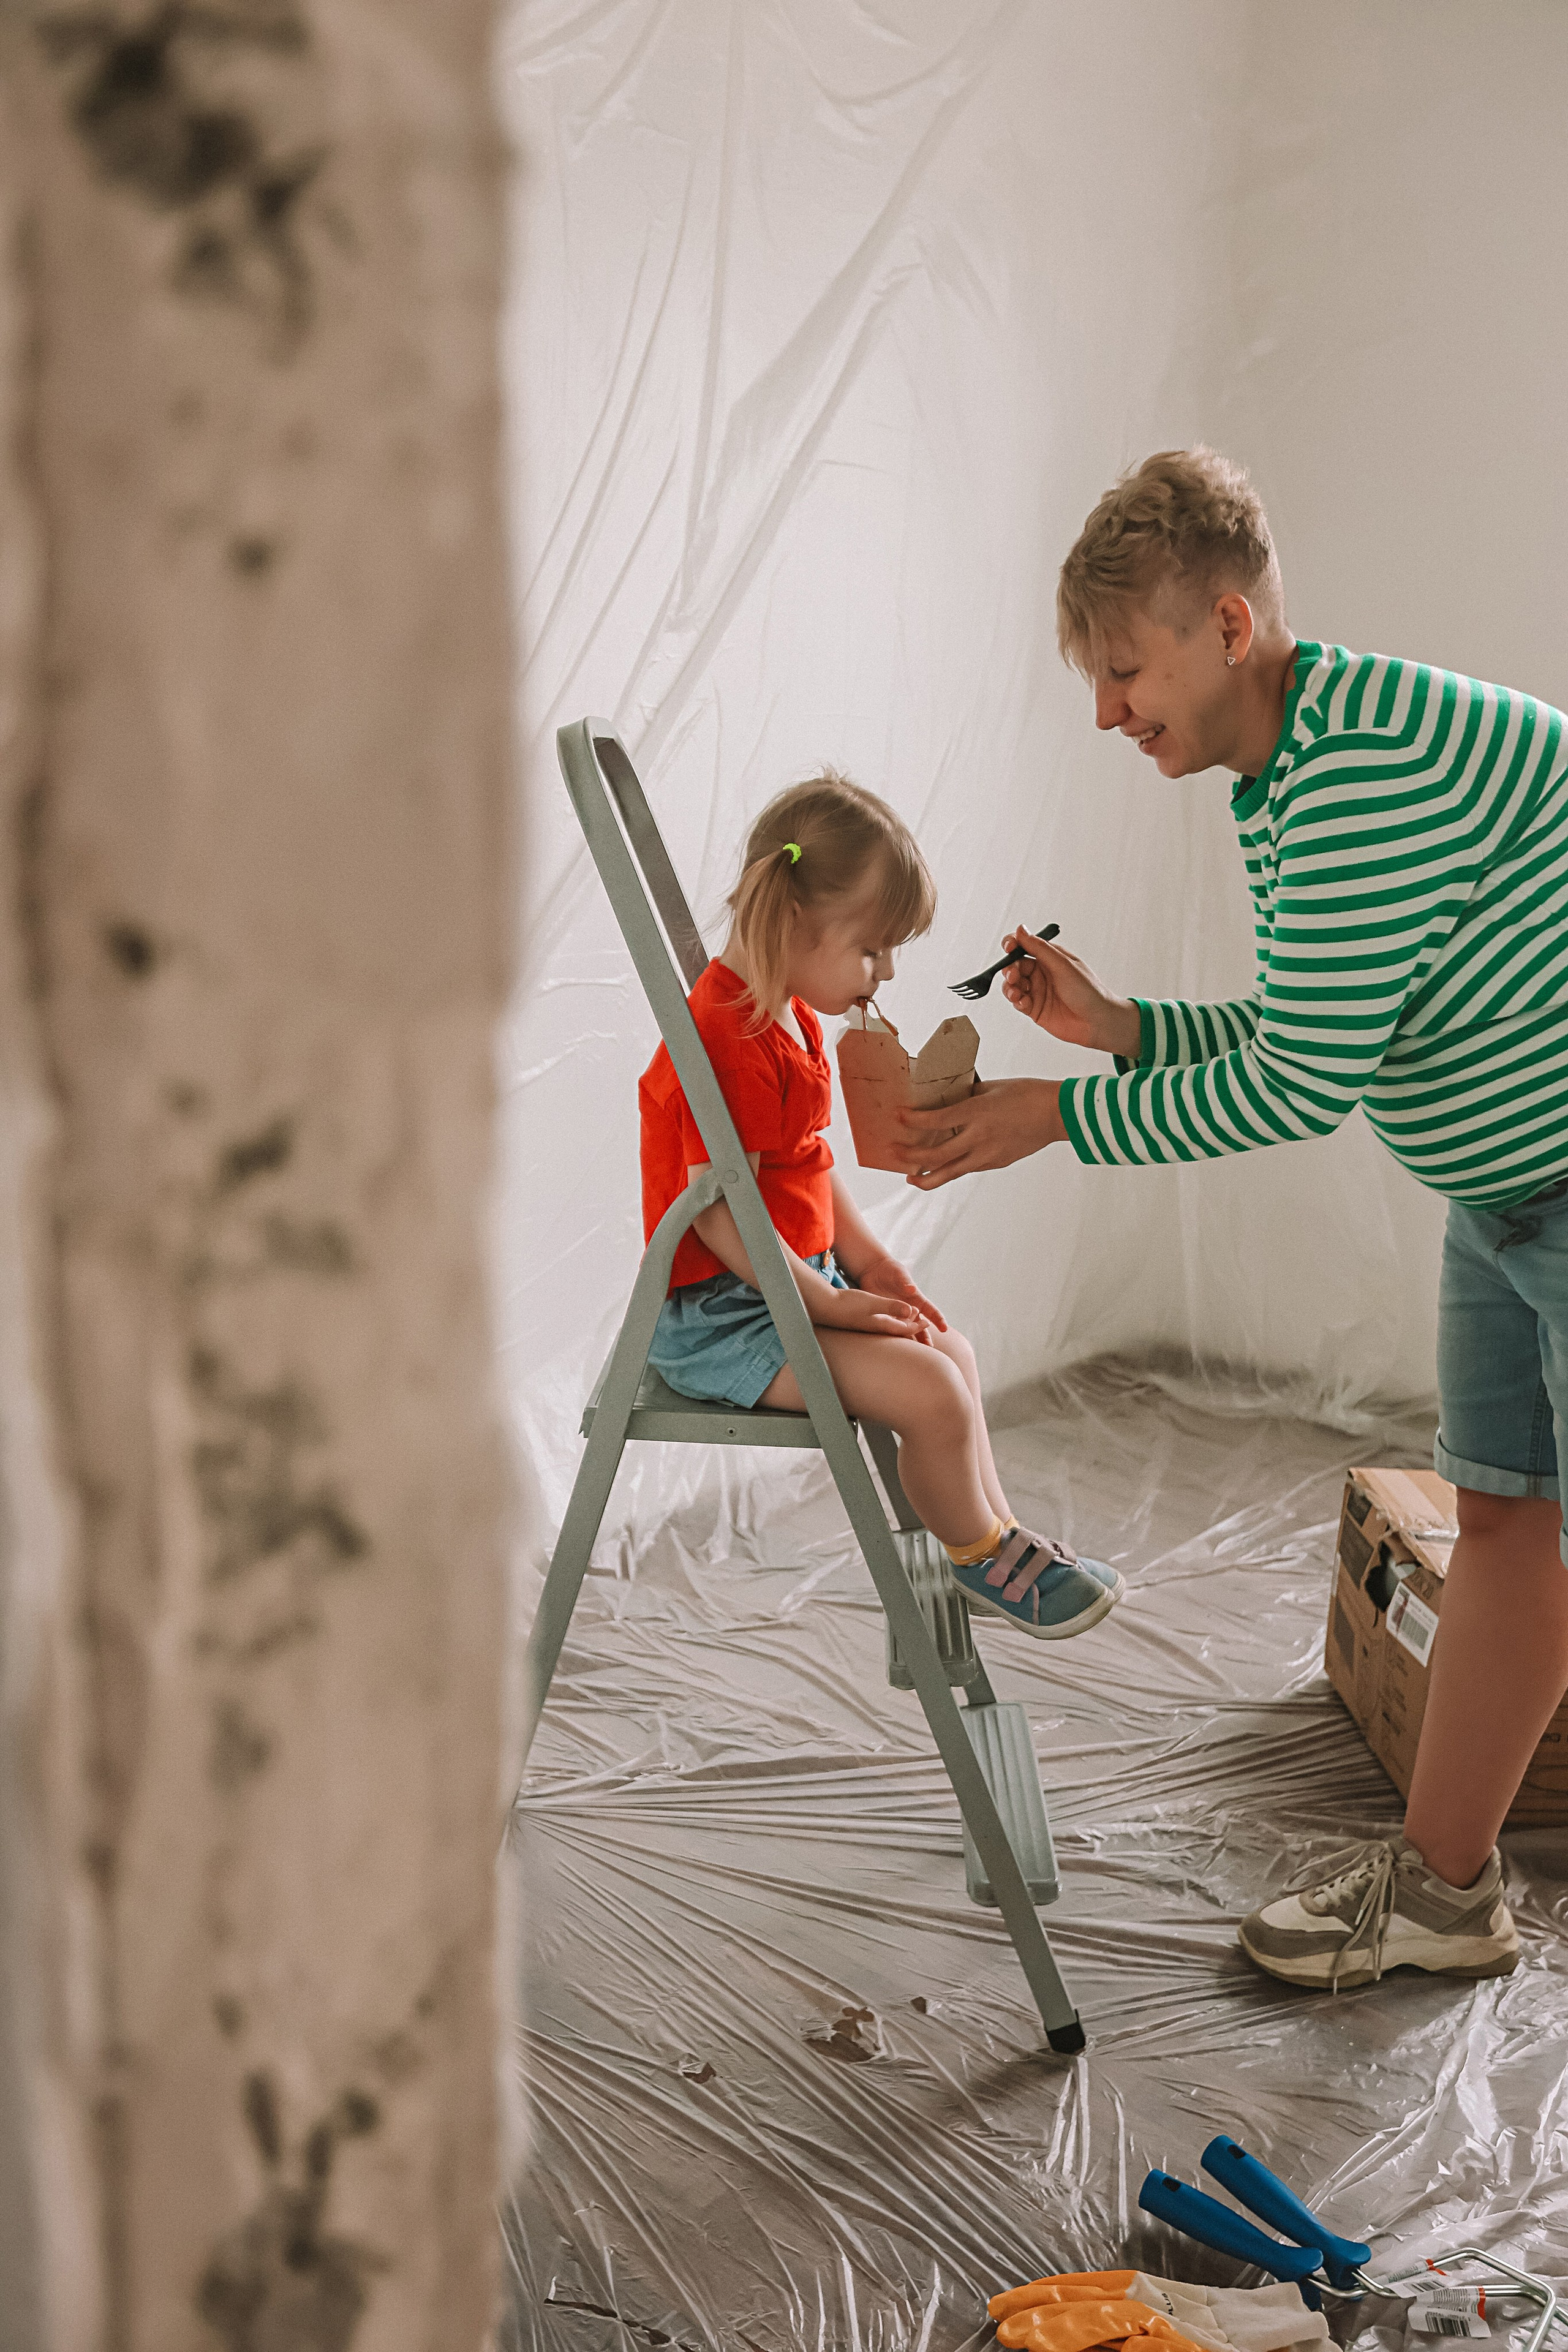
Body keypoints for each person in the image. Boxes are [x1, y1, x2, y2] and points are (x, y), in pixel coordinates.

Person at [896, 445, 1568, 1988]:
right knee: (1506, 1526)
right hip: (1503, 1186)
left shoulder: (1353, 777)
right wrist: (1121, 1031)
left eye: (1123, 671)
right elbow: (1312, 1030)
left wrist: (1037, 1119)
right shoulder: (1292, 759)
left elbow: (1291, 1094)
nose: (1105, 713)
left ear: (1225, 630)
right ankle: (1446, 1893)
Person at [637, 772, 1125, 1639]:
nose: (888, 970)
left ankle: (1000, 1539)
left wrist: (873, 1268)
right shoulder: (725, 1038)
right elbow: (718, 1212)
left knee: (953, 1352)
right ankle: (979, 1559)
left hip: (789, 1287)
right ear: (794, 922)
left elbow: (810, 1173)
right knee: (933, 1395)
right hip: (724, 1320)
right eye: (872, 949)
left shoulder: (791, 1021)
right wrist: (826, 1300)